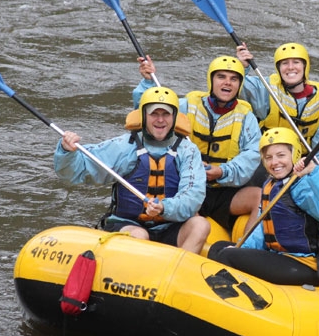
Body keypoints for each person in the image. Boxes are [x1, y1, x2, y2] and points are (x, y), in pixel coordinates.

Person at [54, 86, 210, 254]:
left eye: (166, 114)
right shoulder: (124, 146)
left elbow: (193, 196)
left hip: (170, 225)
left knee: (200, 225)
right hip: (128, 224)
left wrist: (164, 208)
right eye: (154, 114)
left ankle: (178, 274)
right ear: (143, 116)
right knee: (140, 235)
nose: (160, 120)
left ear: (174, 118)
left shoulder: (188, 151)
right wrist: (67, 151)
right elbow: (78, 171)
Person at [132, 55, 262, 233]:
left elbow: (252, 156)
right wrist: (148, 84)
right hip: (185, 185)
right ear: (211, 80)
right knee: (188, 211)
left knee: (260, 197)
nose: (228, 83)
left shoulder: (247, 117)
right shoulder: (187, 105)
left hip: (221, 188)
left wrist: (222, 171)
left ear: (239, 84)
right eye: (221, 77)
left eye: (234, 79)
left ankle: (245, 250)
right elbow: (148, 114)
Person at [208, 127, 319, 286]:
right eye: (268, 157)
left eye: (281, 155)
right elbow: (262, 229)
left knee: (227, 257)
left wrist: (315, 171)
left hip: (308, 265)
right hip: (281, 257)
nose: (274, 162)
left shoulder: (302, 184)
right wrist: (241, 248)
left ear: (294, 155)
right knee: (219, 248)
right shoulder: (270, 185)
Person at [236, 42, 319, 182]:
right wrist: (242, 67)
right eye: (284, 63)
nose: (290, 67)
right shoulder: (266, 89)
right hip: (271, 161)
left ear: (305, 67)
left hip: (302, 162)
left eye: (296, 62)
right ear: (278, 68)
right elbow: (233, 87)